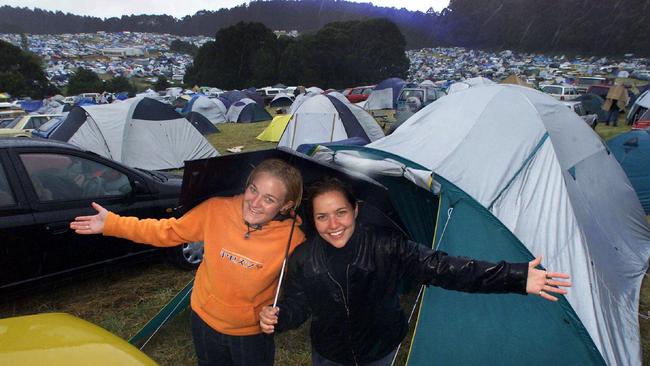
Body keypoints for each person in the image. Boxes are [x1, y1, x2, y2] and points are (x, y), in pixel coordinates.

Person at [259, 177, 571, 366]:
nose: (334, 224)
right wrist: (279, 316)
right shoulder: (304, 258)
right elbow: (298, 306)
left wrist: (515, 276)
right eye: (322, 217)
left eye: (341, 212)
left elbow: (446, 268)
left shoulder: (387, 245)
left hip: (379, 349)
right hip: (329, 354)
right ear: (313, 220)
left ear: (355, 210)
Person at [70, 159, 305, 366]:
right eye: (253, 190)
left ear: (286, 206)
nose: (255, 203)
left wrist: (280, 313)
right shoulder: (217, 209)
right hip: (204, 321)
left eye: (269, 199)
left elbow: (299, 291)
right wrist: (113, 223)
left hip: (251, 334)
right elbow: (167, 231)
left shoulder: (293, 238)